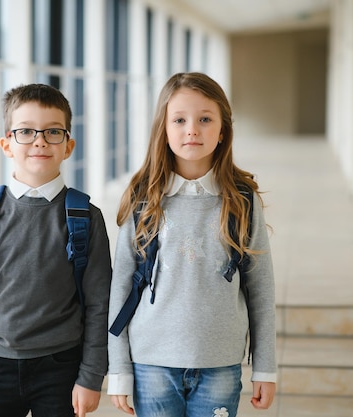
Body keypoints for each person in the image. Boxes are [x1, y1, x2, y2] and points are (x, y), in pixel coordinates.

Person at [0, 83, 112, 417]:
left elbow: (99, 303)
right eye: (26, 131)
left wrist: (91, 377)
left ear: (69, 145)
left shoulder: (86, 217)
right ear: (6, 144)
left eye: (53, 131)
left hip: (61, 364)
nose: (40, 140)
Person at [107, 72, 276, 417]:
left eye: (205, 119)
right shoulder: (143, 198)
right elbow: (121, 288)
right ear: (163, 129)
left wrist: (265, 367)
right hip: (151, 362)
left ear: (223, 129)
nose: (192, 130)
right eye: (180, 120)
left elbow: (261, 289)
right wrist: (119, 369)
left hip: (220, 362)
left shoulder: (242, 199)